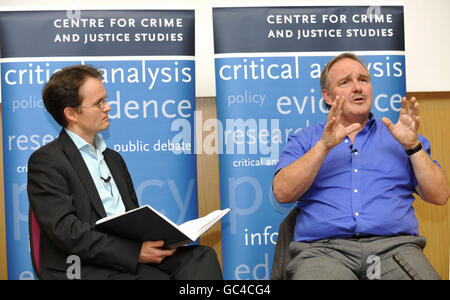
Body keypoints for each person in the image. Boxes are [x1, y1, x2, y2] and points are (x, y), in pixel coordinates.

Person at [27, 65, 223, 280]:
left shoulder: (113, 158)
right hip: (82, 265)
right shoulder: (47, 161)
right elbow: (67, 232)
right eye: (98, 103)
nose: (108, 107)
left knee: (202, 257)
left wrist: (162, 238)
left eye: (106, 99)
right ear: (71, 113)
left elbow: (132, 219)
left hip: (129, 255)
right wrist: (134, 252)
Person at [272, 53, 449, 280]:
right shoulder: (306, 139)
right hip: (325, 253)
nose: (357, 87)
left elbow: (440, 195)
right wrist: (324, 146)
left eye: (363, 80)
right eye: (345, 82)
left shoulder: (401, 136)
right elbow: (282, 192)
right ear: (327, 96)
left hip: (394, 250)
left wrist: (413, 147)